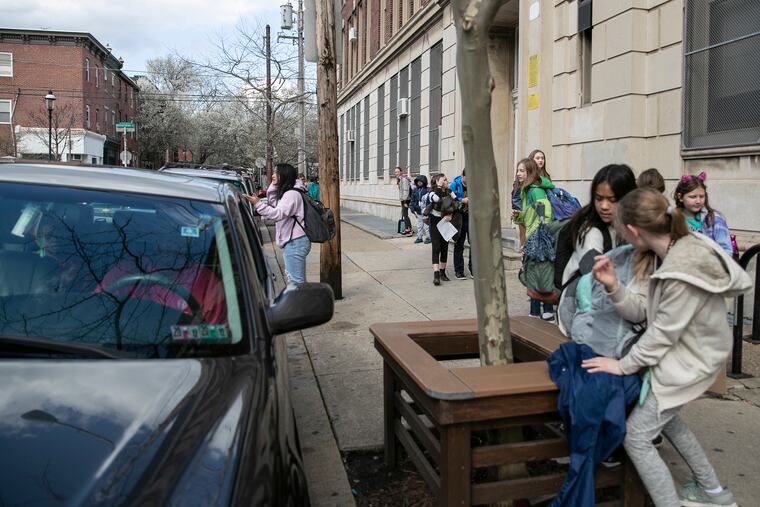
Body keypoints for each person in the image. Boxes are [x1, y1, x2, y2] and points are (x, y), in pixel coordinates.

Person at [582, 188, 750, 507]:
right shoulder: (664, 253)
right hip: (685, 355)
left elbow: (661, 335)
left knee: (637, 436)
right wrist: (614, 286)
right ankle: (714, 492)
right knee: (666, 417)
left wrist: (621, 366)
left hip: (690, 361)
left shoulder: (681, 268)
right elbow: (641, 310)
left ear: (633, 230)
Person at [557, 164, 638, 333]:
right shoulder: (590, 231)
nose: (604, 206)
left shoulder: (631, 227)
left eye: (612, 200)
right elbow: (594, 278)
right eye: (599, 198)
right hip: (578, 308)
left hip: (615, 302)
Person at [244, 163, 311, 288]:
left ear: (283, 175)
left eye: (276, 173)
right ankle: (301, 305)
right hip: (294, 241)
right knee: (295, 279)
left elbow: (277, 213)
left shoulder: (291, 195)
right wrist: (273, 186)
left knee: (296, 281)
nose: (273, 175)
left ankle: (302, 306)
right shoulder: (289, 193)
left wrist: (258, 204)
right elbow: (274, 203)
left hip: (295, 242)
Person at [514, 157, 555, 319]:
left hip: (538, 240)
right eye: (518, 170)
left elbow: (545, 215)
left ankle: (544, 313)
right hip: (534, 238)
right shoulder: (527, 191)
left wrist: (536, 240)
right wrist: (518, 216)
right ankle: (539, 312)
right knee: (536, 276)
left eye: (522, 170)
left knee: (539, 276)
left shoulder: (535, 191)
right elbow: (530, 215)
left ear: (530, 172)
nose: (518, 174)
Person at [673, 172, 733, 256]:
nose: (698, 201)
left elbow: (727, 251)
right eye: (693, 197)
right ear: (680, 197)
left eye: (701, 196)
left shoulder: (715, 219)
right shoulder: (672, 218)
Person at [427, 173, 459, 285]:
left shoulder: (449, 192)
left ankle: (442, 272)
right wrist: (439, 187)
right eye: (444, 180)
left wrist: (451, 215)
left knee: (445, 248)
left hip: (445, 223)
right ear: (437, 182)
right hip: (435, 224)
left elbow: (457, 203)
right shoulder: (432, 193)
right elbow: (436, 199)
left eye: (446, 179)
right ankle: (436, 275)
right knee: (436, 248)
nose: (446, 181)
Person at [449, 169, 472, 279]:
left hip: (472, 217)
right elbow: (449, 201)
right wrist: (462, 200)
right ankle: (459, 270)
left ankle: (473, 268)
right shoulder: (455, 185)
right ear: (463, 175)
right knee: (459, 244)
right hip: (459, 217)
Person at [410, 175, 431, 244]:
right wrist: (413, 208)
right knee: (419, 225)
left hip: (425, 211)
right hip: (418, 210)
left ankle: (428, 237)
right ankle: (419, 237)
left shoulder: (427, 190)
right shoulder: (415, 190)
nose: (419, 183)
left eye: (420, 181)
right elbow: (412, 200)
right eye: (417, 182)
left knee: (426, 225)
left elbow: (429, 200)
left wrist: (428, 209)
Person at [394, 166, 413, 236]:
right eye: (395, 172)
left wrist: (404, 201)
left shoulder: (404, 179)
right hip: (403, 199)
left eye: (398, 172)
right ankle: (409, 228)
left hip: (406, 200)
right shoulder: (400, 179)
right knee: (405, 214)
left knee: (405, 214)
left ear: (401, 172)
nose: (396, 173)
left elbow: (406, 190)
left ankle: (408, 229)